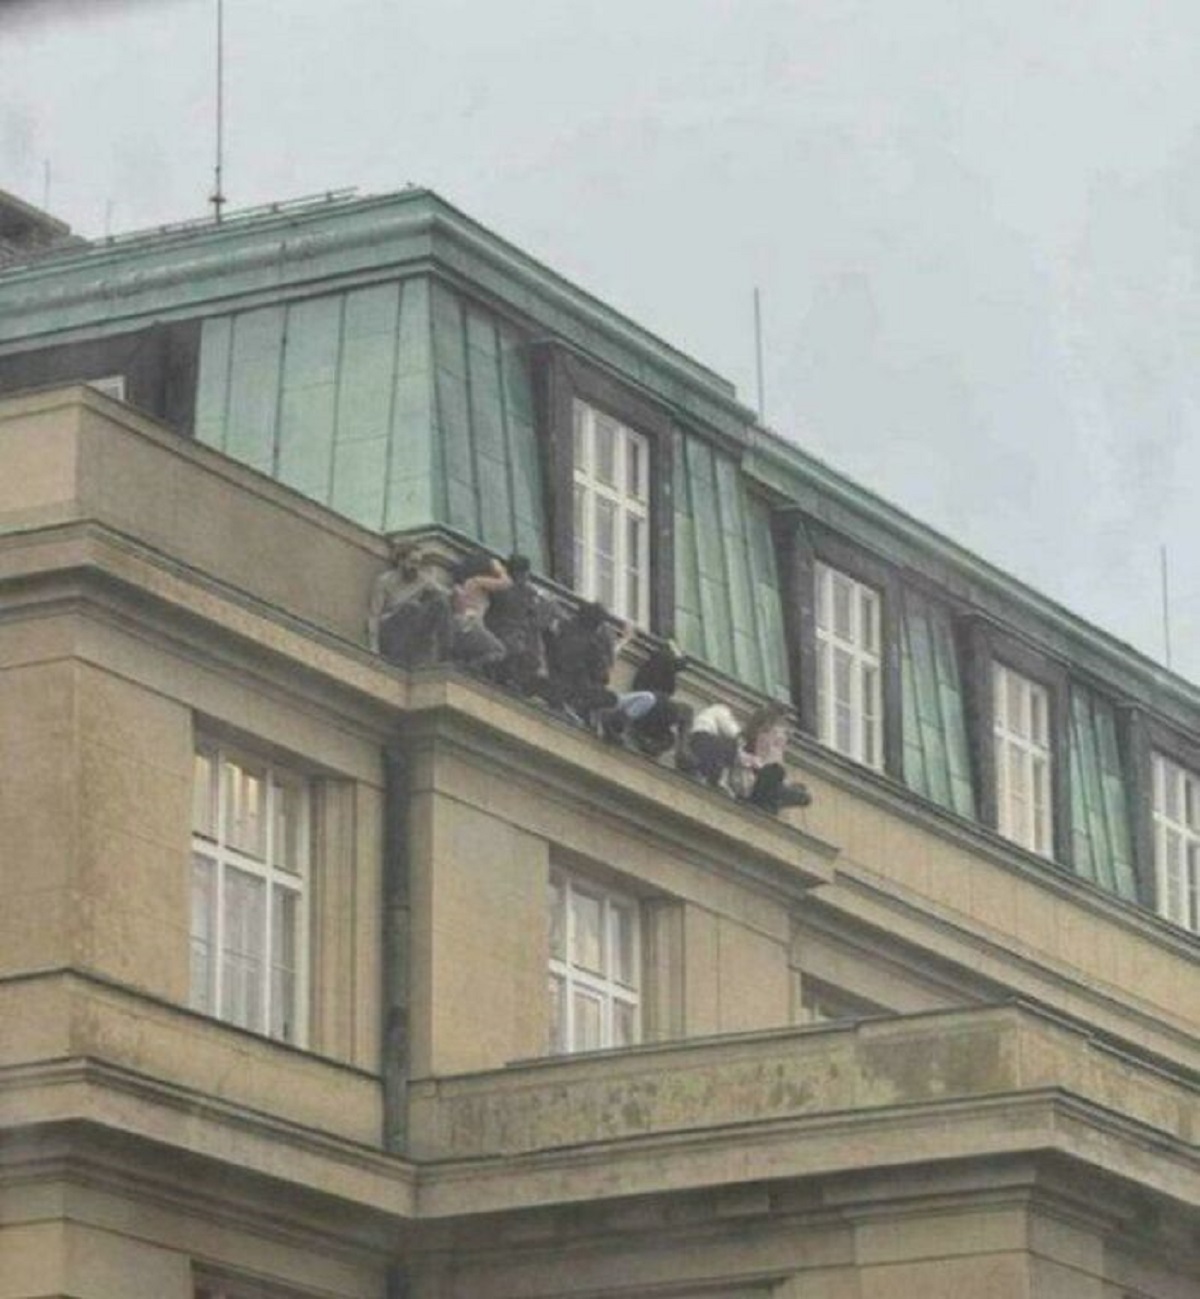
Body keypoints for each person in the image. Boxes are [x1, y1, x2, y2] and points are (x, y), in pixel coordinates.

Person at [544, 601, 632, 731]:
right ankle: (580, 711)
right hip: (577, 691)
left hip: (554, 679)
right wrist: (623, 641)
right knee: (611, 699)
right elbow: (603, 674)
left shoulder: (564, 628)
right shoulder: (593, 646)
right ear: (597, 625)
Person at [366, 541, 453, 669]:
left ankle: (445, 657)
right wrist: (373, 649)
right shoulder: (385, 581)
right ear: (401, 561)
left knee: (440, 603)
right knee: (411, 607)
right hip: (391, 630)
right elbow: (374, 616)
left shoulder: (423, 579)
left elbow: (446, 594)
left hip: (412, 632)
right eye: (412, 562)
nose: (416, 567)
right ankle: (397, 660)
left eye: (418, 563)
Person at [484, 553, 557, 695]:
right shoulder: (525, 593)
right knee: (526, 653)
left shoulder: (502, 587)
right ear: (523, 574)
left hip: (501, 635)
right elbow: (538, 621)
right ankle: (522, 682)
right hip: (511, 640)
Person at [626, 640, 694, 764]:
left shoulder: (651, 665)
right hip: (655, 704)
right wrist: (683, 658)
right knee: (687, 711)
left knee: (668, 738)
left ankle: (647, 745)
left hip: (644, 712)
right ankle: (683, 752)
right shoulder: (663, 658)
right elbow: (680, 664)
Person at [740, 702, 812, 813]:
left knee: (798, 791)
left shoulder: (779, 773)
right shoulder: (744, 758)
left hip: (767, 786)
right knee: (774, 772)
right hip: (754, 791)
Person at [450, 552, 511, 671]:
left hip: (458, 624)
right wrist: (498, 568)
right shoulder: (477, 581)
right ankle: (471, 667)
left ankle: (465, 665)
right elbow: (506, 583)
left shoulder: (461, 586)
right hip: (472, 623)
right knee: (499, 650)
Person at [684, 702, 745, 792]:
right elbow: (732, 730)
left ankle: (704, 776)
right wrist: (742, 740)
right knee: (731, 746)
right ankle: (717, 780)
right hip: (705, 738)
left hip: (697, 739)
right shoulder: (721, 709)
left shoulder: (706, 714)